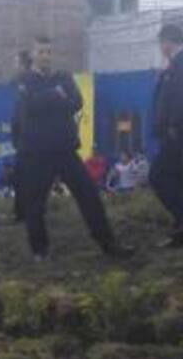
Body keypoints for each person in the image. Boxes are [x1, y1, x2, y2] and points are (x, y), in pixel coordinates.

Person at [13, 36, 132, 261]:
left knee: (89, 196)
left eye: (49, 52)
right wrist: (56, 95)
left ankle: (108, 243)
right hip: (38, 153)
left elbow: (77, 103)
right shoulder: (24, 80)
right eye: (41, 52)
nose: (46, 56)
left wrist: (49, 99)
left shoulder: (63, 77)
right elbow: (30, 106)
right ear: (33, 54)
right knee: (35, 204)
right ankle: (40, 250)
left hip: (65, 150)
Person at [150, 23, 183, 247]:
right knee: (177, 179)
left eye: (161, 42)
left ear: (168, 42)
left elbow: (180, 97)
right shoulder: (172, 66)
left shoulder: (180, 64)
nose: (161, 47)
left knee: (158, 176)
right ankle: (180, 228)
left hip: (177, 135)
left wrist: (173, 127)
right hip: (173, 134)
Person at [10, 50, 34, 222]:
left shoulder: (29, 83)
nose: (14, 66)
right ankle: (21, 213)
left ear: (23, 65)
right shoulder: (19, 85)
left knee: (27, 179)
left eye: (16, 63)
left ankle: (27, 213)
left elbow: (27, 115)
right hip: (22, 142)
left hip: (29, 142)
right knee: (20, 179)